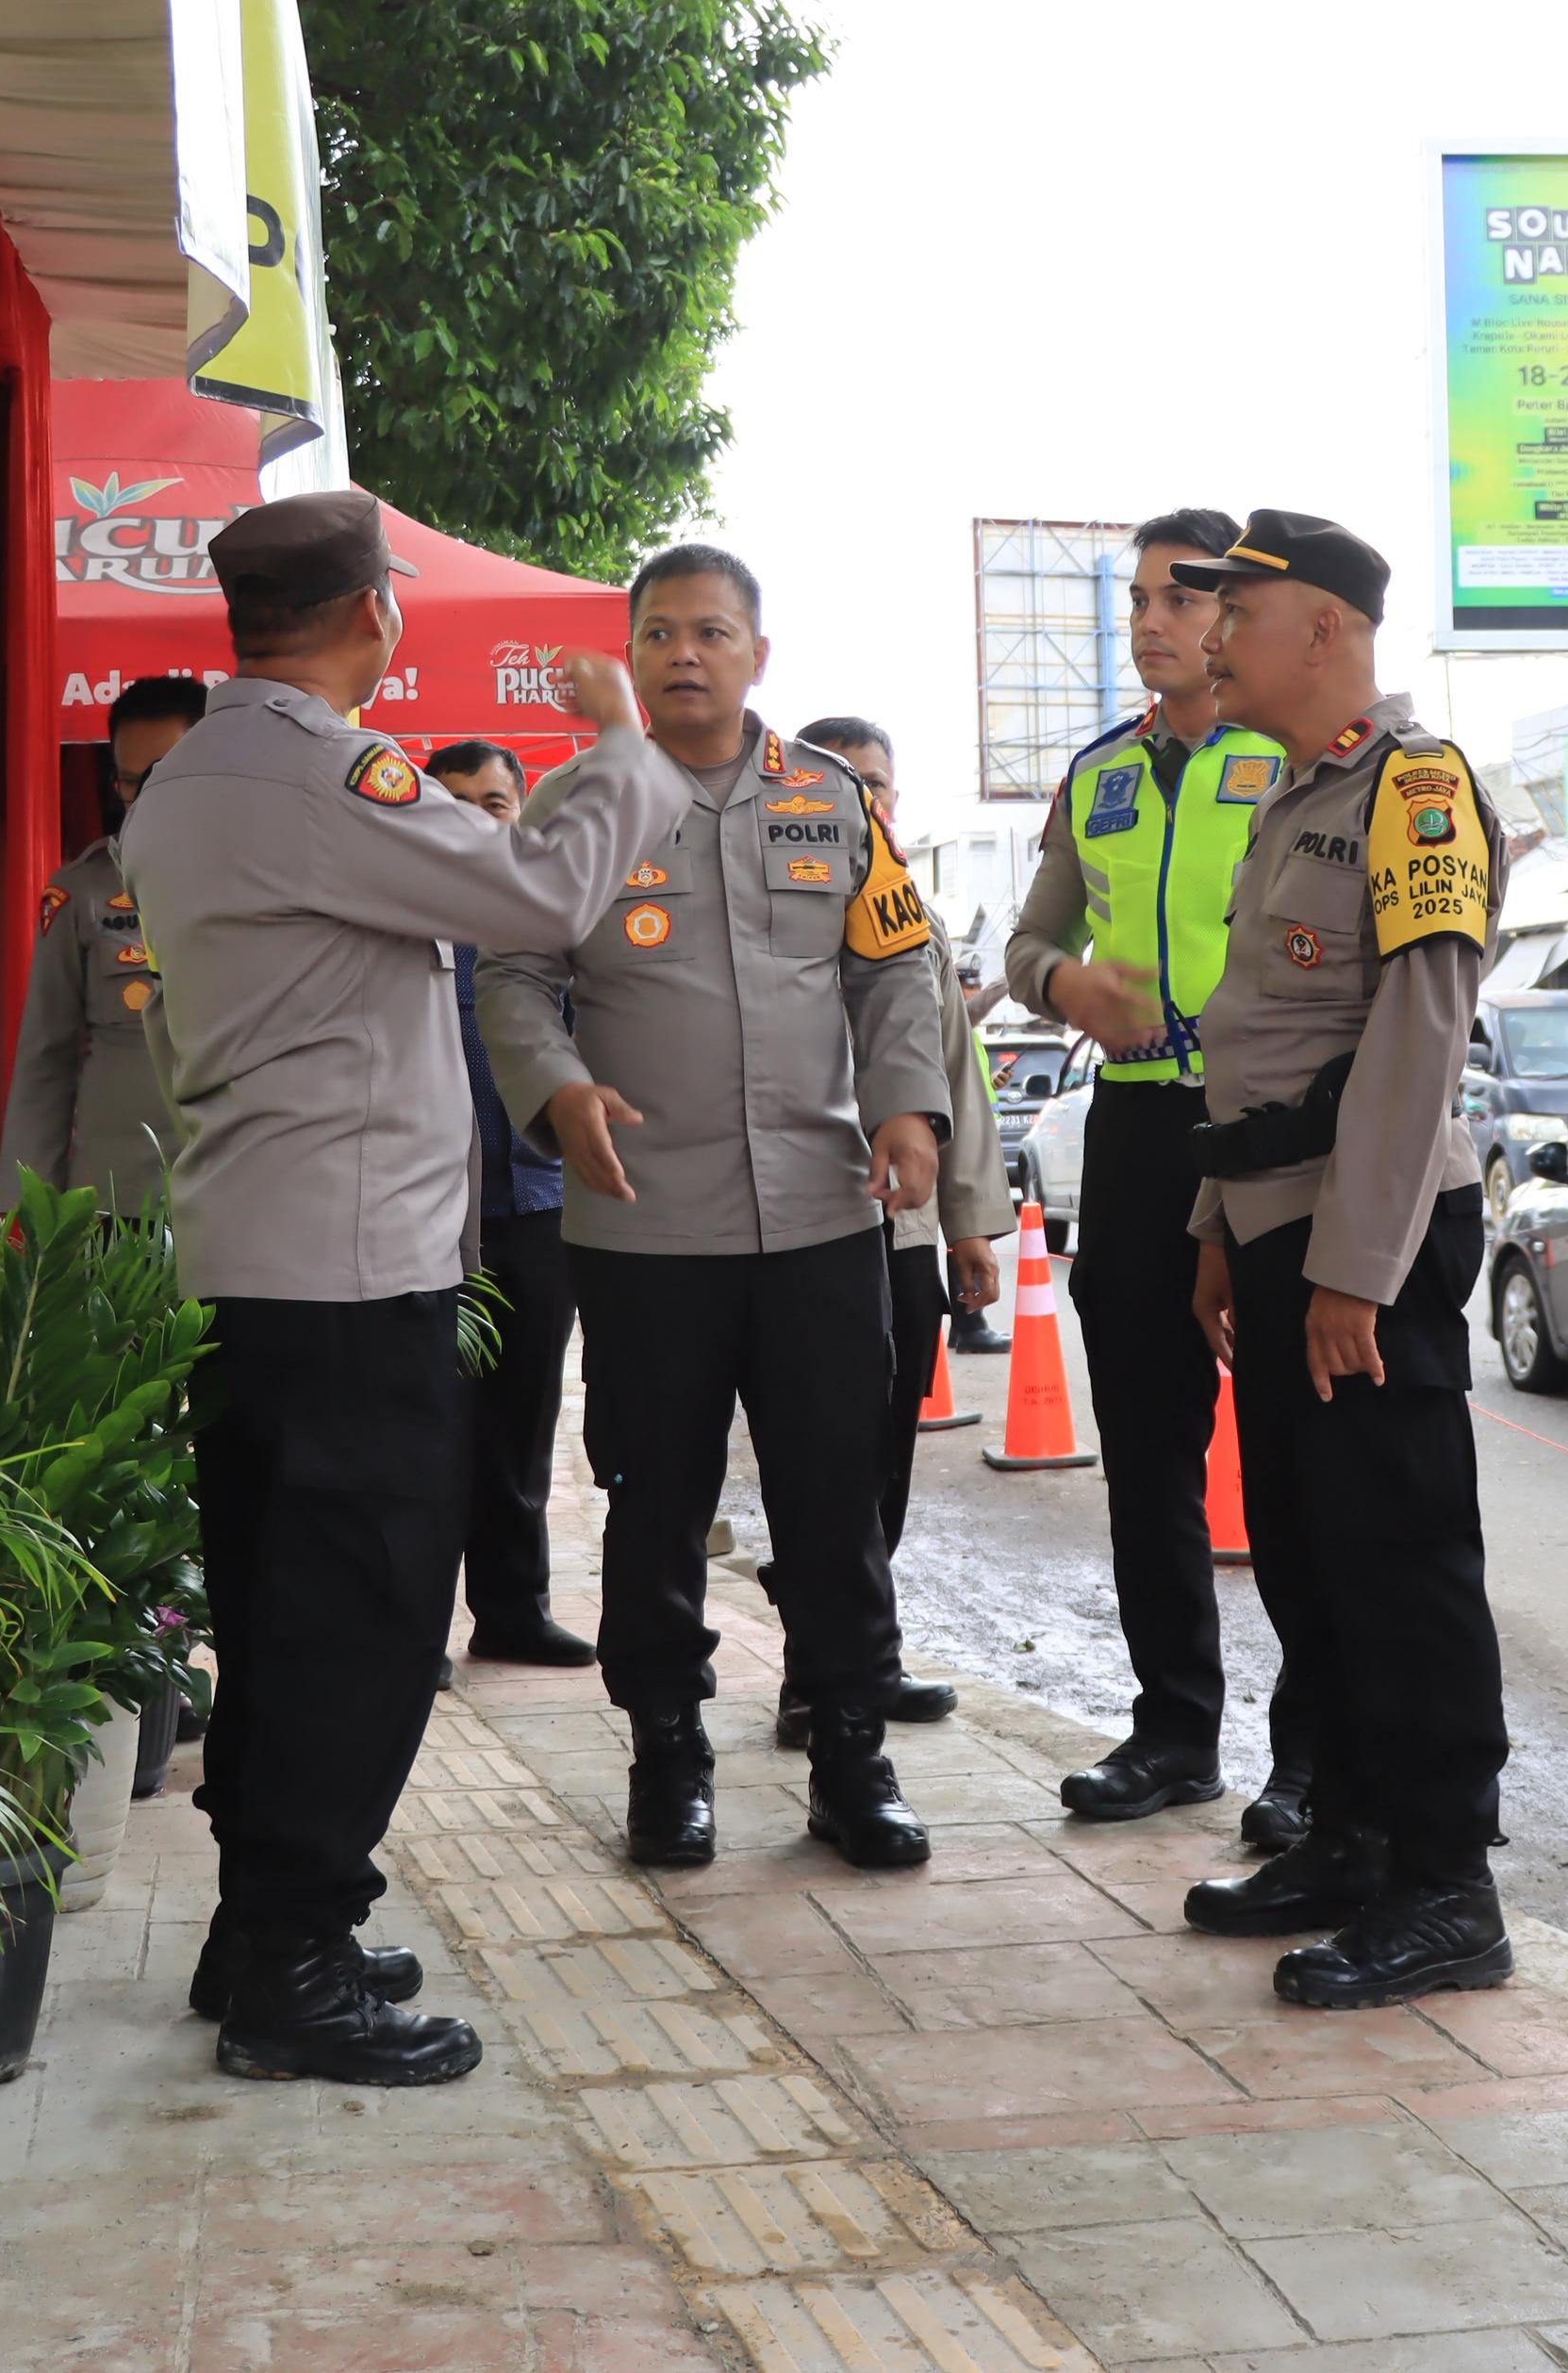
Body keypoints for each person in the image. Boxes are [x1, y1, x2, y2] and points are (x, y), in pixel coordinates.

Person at [120, 491, 687, 2089]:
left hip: (251, 1251)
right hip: (350, 1266)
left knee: (276, 1603)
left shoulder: (182, 784)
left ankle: (263, 1925)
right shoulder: (322, 770)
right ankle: (295, 1965)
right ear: (371, 612)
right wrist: (619, 744)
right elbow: (537, 897)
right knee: (359, 1617)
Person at [478, 546, 949, 1877]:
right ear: (629, 652)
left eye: (713, 631)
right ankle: (667, 1756)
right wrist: (557, 1090)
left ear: (759, 651)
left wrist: (910, 1107)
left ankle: (852, 1752)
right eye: (662, 632)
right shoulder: (578, 801)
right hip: (643, 1226)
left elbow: (894, 965)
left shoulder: (832, 797)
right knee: (655, 1499)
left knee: (833, 1498)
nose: (686, 653)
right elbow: (511, 975)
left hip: (820, 1211)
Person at [1168, 509, 1513, 2012]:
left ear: (1323, 628)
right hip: (1277, 1225)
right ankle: (1354, 1835)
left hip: (1365, 1233)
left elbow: (1415, 1042)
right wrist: (1216, 1239)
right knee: (1314, 1560)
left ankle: (1447, 1883)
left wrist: (1354, 1271)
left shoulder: (1417, 790)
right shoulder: (1291, 794)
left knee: (1401, 1558)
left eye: (1235, 612)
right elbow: (1258, 1047)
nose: (1213, 636)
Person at [1002, 507, 1314, 1840]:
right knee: (1146, 1445)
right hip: (1135, 1134)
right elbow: (1027, 944)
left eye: (1181, 597)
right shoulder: (1099, 777)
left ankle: (1312, 1755)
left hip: (1274, 1129)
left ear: (1234, 614)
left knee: (1303, 1451)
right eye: (1135, 598)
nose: (1151, 620)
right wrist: (1066, 981)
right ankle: (1174, 1726)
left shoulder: (1296, 759)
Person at [787, 712, 1012, 1746]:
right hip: (802, 1219)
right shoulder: (779, 897)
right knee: (818, 1457)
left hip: (905, 1226)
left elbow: (953, 1068)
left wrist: (967, 1221)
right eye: (848, 786)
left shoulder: (908, 911)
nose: (866, 803)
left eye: (879, 785)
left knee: (883, 1455)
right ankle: (812, 1672)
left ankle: (862, 1660)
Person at [422, 739, 597, 1673]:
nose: (471, 812)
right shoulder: (396, 914)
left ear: (518, 812)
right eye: (450, 797)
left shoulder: (548, 923)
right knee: (429, 1422)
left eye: (492, 799)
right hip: (422, 1212)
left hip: (533, 1205)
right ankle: (419, 1627)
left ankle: (512, 1608)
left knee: (522, 1421)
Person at [0, 676, 208, 1211]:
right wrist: (24, 1208)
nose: (141, 798)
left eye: (160, 775)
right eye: (129, 780)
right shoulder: (83, 890)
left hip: (235, 1196)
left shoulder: (263, 880)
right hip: (120, 1203)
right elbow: (46, 1061)